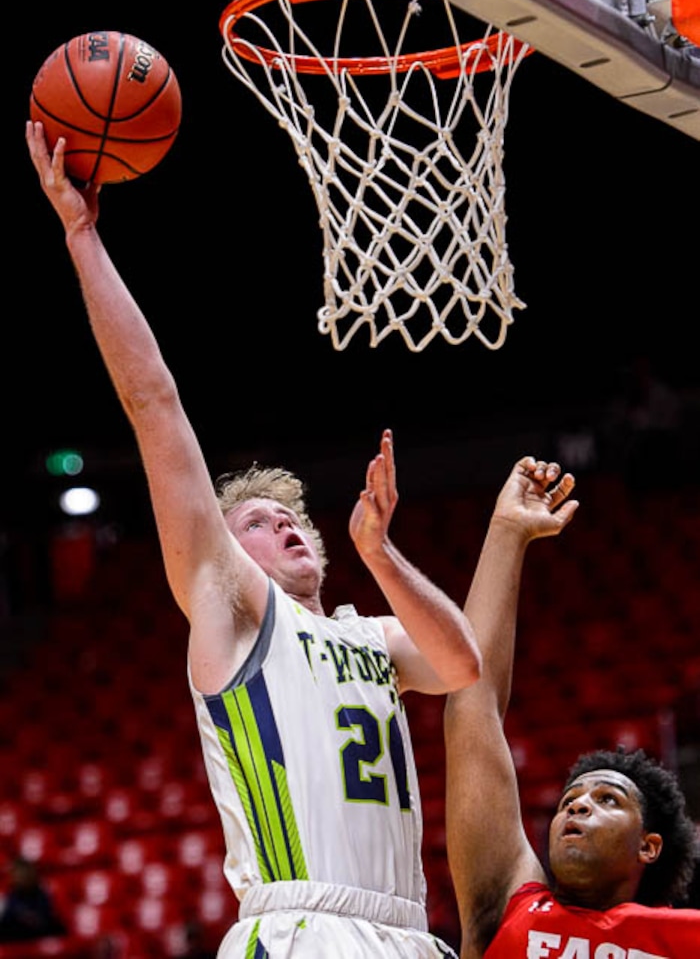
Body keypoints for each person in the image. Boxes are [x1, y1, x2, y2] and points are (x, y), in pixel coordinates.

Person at [25, 120, 483, 958]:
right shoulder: (234, 608)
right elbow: (154, 403)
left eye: (293, 519)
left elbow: (461, 665)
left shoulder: (369, 636)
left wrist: (381, 555)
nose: (283, 525)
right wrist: (83, 238)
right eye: (256, 525)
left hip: (408, 930)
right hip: (302, 925)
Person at [443, 456, 700, 957]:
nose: (577, 805)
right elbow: (473, 703)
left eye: (608, 801)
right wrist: (506, 533)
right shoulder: (507, 905)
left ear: (648, 846)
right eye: (569, 802)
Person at [0, 855, 66, 943]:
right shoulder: (10, 898)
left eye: (24, 873)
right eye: (17, 874)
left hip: (41, 942)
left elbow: (49, 923)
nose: (21, 877)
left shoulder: (44, 895)